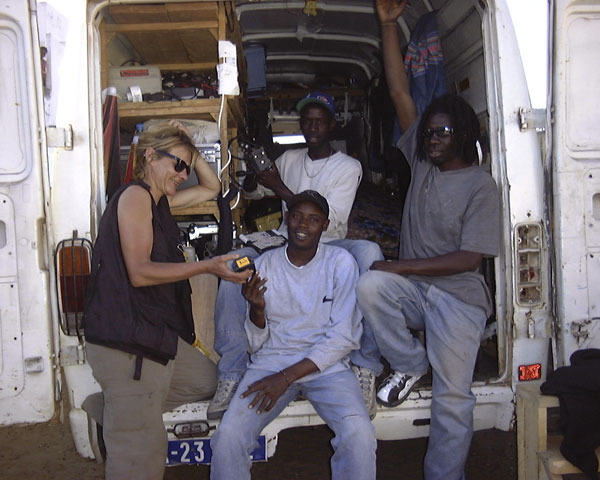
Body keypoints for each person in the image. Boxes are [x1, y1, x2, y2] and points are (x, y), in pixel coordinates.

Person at [355, 1, 501, 479]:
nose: (433, 138)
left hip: (459, 300)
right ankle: (410, 361)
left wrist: (400, 266)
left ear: (464, 135)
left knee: (454, 398)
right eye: (430, 132)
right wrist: (386, 26)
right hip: (418, 292)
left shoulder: (481, 185)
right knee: (369, 286)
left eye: (443, 132)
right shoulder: (421, 164)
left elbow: (469, 258)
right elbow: (399, 90)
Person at [83, 122, 252, 480]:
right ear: (149, 156)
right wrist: (208, 267)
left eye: (187, 168)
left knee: (205, 379)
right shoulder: (135, 197)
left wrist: (188, 147)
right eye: (177, 165)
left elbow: (212, 187)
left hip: (152, 333)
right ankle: (126, 412)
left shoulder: (160, 201)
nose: (183, 174)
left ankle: (115, 407)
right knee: (142, 452)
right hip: (127, 341)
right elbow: (139, 273)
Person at [208, 92, 384, 419]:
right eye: (307, 120)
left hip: (329, 246)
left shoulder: (349, 166)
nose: (313, 126)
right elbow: (257, 192)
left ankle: (365, 366)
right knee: (234, 264)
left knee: (369, 253)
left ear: (333, 125)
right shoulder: (289, 158)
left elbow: (331, 217)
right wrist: (252, 176)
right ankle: (231, 372)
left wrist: (280, 187)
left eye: (320, 120)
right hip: (284, 240)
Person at [210, 190, 377, 480]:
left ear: (325, 226)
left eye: (313, 220)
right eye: (297, 216)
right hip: (270, 363)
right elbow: (256, 343)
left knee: (360, 436)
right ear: (287, 218)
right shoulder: (265, 265)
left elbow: (341, 340)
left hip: (327, 369)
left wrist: (285, 378)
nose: (303, 225)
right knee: (228, 436)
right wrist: (258, 311)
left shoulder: (340, 262)